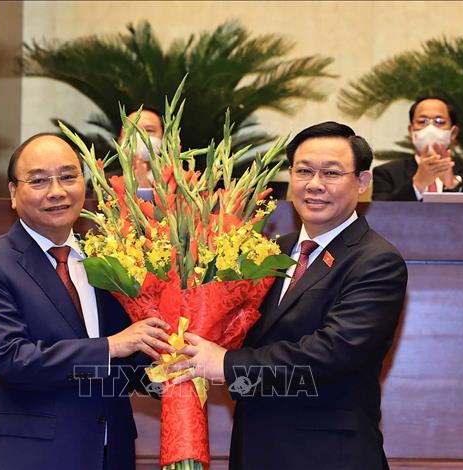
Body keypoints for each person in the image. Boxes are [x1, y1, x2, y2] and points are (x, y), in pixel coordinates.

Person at [171, 122, 408, 469]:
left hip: (329, 456)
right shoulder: (268, 253)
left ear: (362, 182)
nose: (315, 184)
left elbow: (332, 351)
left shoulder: (376, 260)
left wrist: (225, 364)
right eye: (303, 171)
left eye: (331, 173)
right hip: (255, 450)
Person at [0, 133, 173, 470]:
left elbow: (126, 363)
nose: (57, 191)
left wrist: (170, 371)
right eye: (39, 180)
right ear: (13, 193)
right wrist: (111, 346)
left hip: (109, 454)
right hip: (29, 457)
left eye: (68, 177)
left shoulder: (109, 257)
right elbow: (13, 360)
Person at [372, 96, 463, 201]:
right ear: (411, 131)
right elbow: (381, 214)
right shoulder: (387, 174)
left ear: (453, 133)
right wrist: (417, 184)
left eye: (439, 121)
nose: (430, 128)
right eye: (422, 121)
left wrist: (453, 185)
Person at [118, 107, 164, 188]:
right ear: (119, 141)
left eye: (149, 130)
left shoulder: (183, 184)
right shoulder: (103, 185)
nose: (138, 136)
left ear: (164, 138)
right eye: (131, 131)